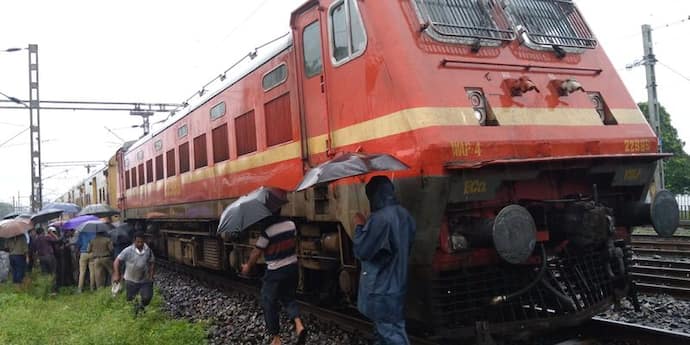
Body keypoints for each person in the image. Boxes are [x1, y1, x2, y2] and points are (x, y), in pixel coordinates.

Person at [352, 176, 416, 345]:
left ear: (373, 196)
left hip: (381, 288)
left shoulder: (379, 219)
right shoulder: (405, 215)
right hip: (398, 283)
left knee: (391, 334)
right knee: (385, 332)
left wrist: (360, 226)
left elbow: (362, 251)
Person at [241, 216, 306, 345]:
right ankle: (299, 326)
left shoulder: (267, 232)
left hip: (275, 271)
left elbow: (256, 253)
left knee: (268, 302)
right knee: (289, 298)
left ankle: (276, 338)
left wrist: (248, 266)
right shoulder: (291, 224)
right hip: (292, 268)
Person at [112, 232, 155, 315]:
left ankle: (141, 307)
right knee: (131, 299)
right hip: (131, 279)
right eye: (138, 242)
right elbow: (116, 261)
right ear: (134, 242)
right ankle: (136, 315)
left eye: (142, 242)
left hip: (145, 279)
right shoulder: (128, 250)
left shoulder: (148, 250)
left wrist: (151, 274)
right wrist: (117, 274)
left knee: (147, 297)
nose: (140, 244)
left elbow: (152, 262)